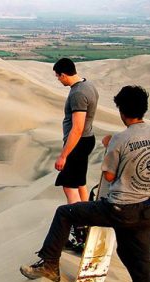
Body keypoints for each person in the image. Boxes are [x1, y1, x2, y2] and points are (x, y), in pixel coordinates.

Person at [19, 85, 150, 282]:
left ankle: (50, 265)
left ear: (121, 111)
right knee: (137, 261)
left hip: (118, 209)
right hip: (145, 211)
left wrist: (109, 148)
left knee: (65, 213)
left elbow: (108, 176)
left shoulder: (119, 139)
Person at [53, 58, 99, 204]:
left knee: (68, 185)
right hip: (86, 139)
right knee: (80, 182)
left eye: (58, 76)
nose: (58, 80)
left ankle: (77, 221)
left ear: (63, 75)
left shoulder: (77, 94)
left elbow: (77, 128)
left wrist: (63, 156)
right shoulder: (88, 85)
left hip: (78, 142)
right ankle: (87, 216)